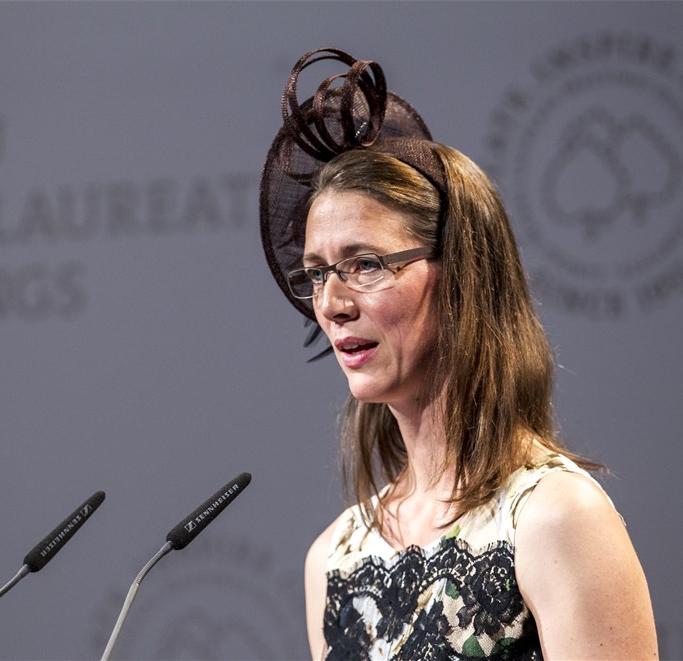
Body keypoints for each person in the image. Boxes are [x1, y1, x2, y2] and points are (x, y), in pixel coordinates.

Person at [260, 48, 658, 660]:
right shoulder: (334, 559)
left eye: (365, 264)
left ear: (463, 275)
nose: (332, 303)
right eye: (317, 274)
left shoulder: (554, 518)